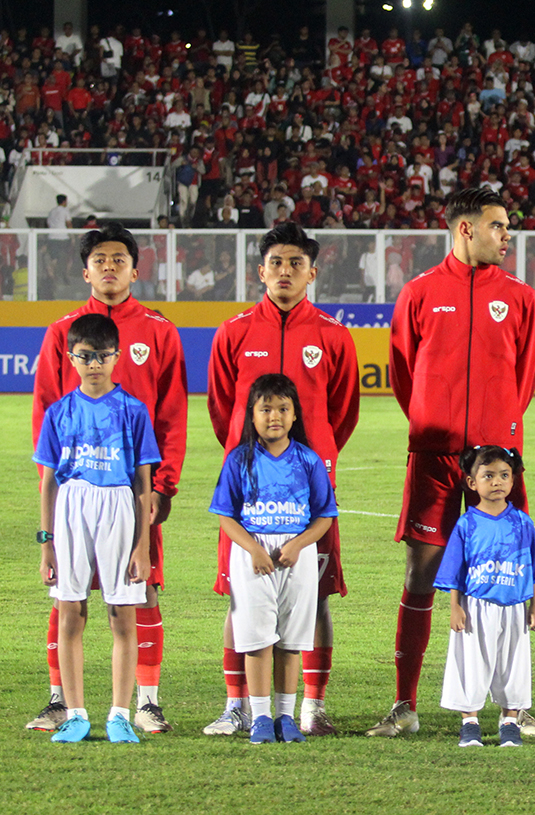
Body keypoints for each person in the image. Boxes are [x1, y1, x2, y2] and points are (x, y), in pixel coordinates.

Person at [370, 187, 535, 738]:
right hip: (434, 454)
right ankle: (405, 704)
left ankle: (512, 707)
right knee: (421, 573)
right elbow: (403, 372)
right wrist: (432, 422)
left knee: (510, 576)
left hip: (497, 458)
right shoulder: (420, 292)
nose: (507, 236)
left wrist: (496, 436)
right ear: (465, 229)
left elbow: (526, 375)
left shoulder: (519, 297)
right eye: (499, 226)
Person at [29, 223, 187, 735]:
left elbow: (172, 415)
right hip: (75, 492)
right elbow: (46, 414)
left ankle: (146, 701)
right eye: (100, 259)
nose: (110, 266)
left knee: (142, 589)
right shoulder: (61, 332)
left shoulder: (160, 330)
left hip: (133, 492)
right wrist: (49, 499)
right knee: (68, 596)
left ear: (135, 269)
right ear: (86, 270)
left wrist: (163, 485)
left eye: (120, 258)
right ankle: (60, 701)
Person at [205, 223, 359, 738]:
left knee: (315, 598)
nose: (285, 271)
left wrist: (316, 462)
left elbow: (343, 412)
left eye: (296, 263)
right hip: (250, 494)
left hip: (309, 494)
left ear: (311, 273)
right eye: (276, 262)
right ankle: (239, 707)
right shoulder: (233, 332)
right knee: (239, 597)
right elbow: (222, 407)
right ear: (261, 270)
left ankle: (310, 709)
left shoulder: (334, 335)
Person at [35, 314, 160, 743]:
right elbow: (49, 481)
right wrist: (46, 544)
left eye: (102, 356)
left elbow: (143, 481)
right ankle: (76, 713)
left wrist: (143, 546)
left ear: (117, 357)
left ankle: (120, 714)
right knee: (71, 611)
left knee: (121, 612)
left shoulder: (133, 410)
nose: (94, 364)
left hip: (118, 505)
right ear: (70, 358)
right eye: (85, 356)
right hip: (72, 506)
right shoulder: (59, 412)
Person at [210, 374, 337, 745]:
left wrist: (299, 545)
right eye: (265, 409)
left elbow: (325, 515)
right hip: (254, 554)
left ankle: (286, 715)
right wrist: (252, 549)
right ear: (252, 415)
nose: (274, 416)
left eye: (283, 408)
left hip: (296, 553)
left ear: (295, 415)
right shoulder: (239, 459)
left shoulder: (309, 461)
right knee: (257, 637)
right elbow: (225, 515)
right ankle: (261, 716)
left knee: (291, 639)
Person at [435, 445, 535, 749]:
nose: (497, 482)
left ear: (512, 481)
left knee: (514, 664)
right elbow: (455, 571)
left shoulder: (522, 522)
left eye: (504, 475)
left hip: (514, 606)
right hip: (475, 606)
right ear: (473, 483)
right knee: (470, 663)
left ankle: (509, 722)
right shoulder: (467, 524)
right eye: (489, 476)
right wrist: (455, 608)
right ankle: (469, 723)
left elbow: (534, 567)